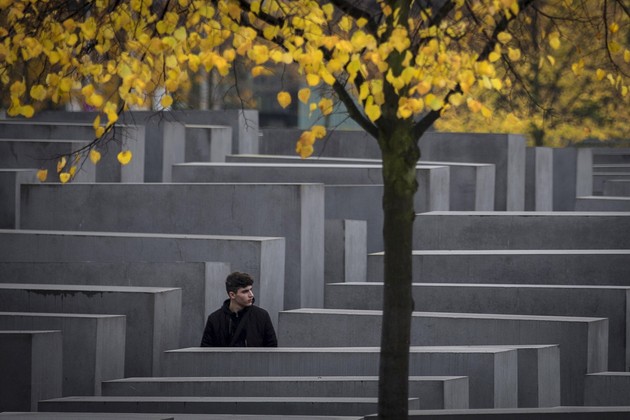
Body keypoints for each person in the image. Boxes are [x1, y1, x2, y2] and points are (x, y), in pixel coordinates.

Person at [200, 271, 278, 347]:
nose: (251, 295)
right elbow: (206, 353)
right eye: (245, 291)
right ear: (232, 295)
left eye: (251, 289)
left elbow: (271, 350)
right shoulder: (214, 319)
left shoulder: (262, 316)